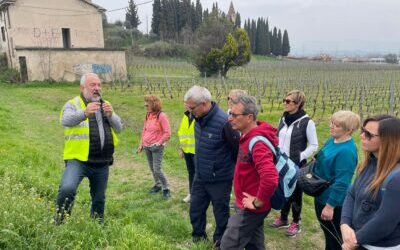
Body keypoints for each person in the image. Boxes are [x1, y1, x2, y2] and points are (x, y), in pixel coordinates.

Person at [55, 72, 122, 224]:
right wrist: (84, 113)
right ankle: (59, 223)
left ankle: (97, 227)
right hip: (78, 160)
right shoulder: (73, 103)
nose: (97, 88)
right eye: (93, 85)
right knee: (67, 189)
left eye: (99, 85)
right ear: (83, 87)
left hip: (101, 161)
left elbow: (119, 128)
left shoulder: (106, 105)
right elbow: (64, 120)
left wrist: (111, 115)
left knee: (99, 199)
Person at [221, 95, 279, 250]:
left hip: (252, 206)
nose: (230, 118)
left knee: (228, 244)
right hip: (246, 201)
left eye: (234, 115)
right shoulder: (247, 136)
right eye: (229, 114)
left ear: (249, 117)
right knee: (254, 243)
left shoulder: (257, 142)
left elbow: (270, 177)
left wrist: (258, 201)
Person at [184, 85, 240, 248]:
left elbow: (237, 149)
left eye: (192, 107)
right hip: (200, 175)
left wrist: (225, 170)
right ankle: (199, 237)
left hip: (219, 178)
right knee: (196, 209)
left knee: (221, 212)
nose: (189, 110)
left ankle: (220, 241)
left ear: (204, 104)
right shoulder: (197, 118)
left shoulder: (225, 122)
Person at [341, 115, 400, 250]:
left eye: (368, 134)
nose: (361, 135)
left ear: (388, 141)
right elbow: (352, 193)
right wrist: (344, 224)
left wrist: (353, 241)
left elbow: (385, 221)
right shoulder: (369, 163)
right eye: (363, 130)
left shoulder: (396, 178)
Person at [271, 90, 318, 237]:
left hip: (297, 164)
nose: (285, 103)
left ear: (298, 104)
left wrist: (300, 156)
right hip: (282, 163)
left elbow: (314, 145)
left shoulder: (307, 122)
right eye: (284, 100)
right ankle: (283, 218)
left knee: (296, 193)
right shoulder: (283, 119)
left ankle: (296, 222)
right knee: (283, 188)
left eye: (288, 101)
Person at [313, 110, 361, 250]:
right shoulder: (332, 140)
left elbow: (342, 183)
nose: (331, 126)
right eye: (332, 123)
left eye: (337, 125)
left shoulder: (346, 152)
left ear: (349, 130)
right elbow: (320, 159)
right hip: (321, 193)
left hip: (333, 202)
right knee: (327, 233)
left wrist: (330, 207)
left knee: (335, 238)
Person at [137, 95, 171, 199]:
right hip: (147, 146)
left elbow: (167, 133)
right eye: (145, 102)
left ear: (155, 104)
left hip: (157, 148)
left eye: (148, 103)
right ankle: (158, 185)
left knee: (157, 169)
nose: (145, 104)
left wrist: (159, 143)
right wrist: (141, 144)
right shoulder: (148, 115)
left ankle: (166, 188)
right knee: (152, 168)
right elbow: (145, 130)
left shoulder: (161, 116)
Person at [178, 109, 196, 203]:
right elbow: (182, 132)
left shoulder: (199, 116)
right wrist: (181, 148)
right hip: (187, 150)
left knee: (199, 174)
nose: (186, 105)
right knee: (191, 172)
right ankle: (191, 193)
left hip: (197, 151)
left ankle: (199, 195)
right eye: (185, 102)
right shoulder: (185, 116)